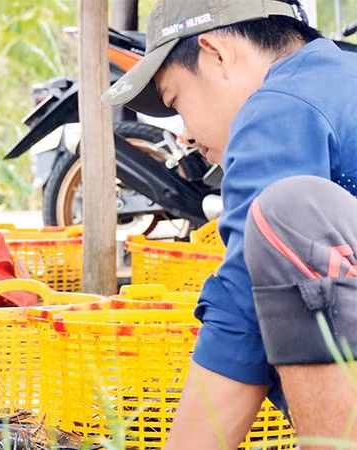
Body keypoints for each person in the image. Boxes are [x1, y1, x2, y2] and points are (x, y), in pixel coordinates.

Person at [104, 0, 357, 447]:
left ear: (217, 54)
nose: (185, 133)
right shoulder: (341, 76)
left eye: (176, 101)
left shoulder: (277, 108)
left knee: (286, 216)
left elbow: (242, 308)